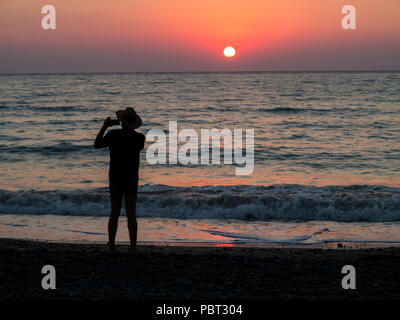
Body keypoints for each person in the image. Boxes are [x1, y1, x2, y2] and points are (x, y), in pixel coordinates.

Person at [94, 107, 145, 253]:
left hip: (115, 178)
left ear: (121, 121)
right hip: (131, 179)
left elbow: (96, 145)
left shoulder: (112, 135)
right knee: (131, 214)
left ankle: (111, 246)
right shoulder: (139, 138)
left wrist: (104, 126)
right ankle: (133, 247)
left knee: (114, 212)